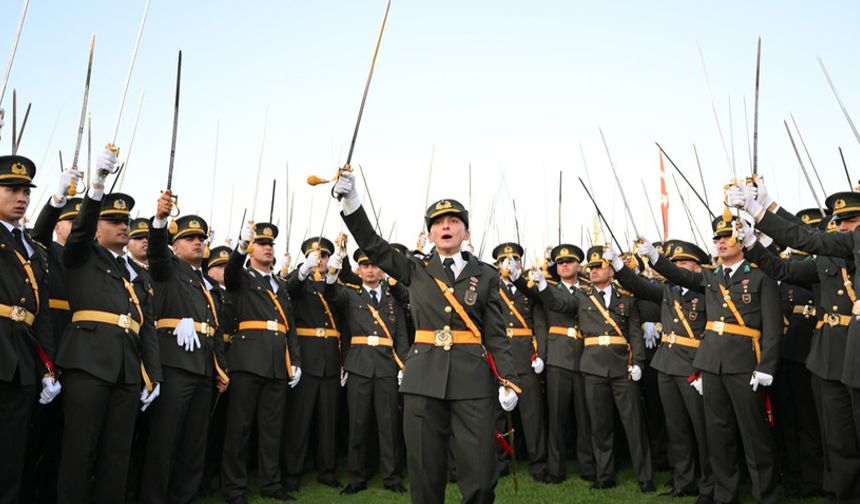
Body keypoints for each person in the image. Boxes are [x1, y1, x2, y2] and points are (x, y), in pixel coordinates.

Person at [334, 172, 521, 503]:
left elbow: (496, 333)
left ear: (466, 231)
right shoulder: (414, 268)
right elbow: (373, 245)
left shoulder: (486, 275)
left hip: (473, 381)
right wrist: (352, 202)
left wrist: (507, 378)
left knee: (479, 472)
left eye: (453, 221)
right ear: (430, 232)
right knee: (424, 472)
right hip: (423, 380)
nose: (445, 226)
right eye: (438, 222)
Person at [731, 183, 860, 500]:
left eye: (851, 219)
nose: (842, 226)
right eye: (839, 221)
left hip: (855, 352)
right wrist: (754, 245)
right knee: (838, 439)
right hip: (829, 356)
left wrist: (762, 211)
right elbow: (785, 266)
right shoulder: (829, 259)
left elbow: (809, 236)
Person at [639, 214, 780, 504]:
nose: (721, 242)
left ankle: (765, 496)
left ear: (741, 240)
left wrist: (766, 366)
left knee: (755, 438)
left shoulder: (759, 276)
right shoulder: (710, 277)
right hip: (712, 364)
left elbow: (773, 327)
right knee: (719, 434)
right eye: (717, 238)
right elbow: (679, 276)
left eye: (727, 237)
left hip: (745, 365)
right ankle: (724, 495)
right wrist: (654, 257)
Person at [57, 148, 163, 503]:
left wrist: (154, 375)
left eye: (126, 221)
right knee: (79, 452)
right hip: (87, 363)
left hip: (127, 371)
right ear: (97, 229)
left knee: (117, 455)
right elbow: (80, 232)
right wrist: (96, 187)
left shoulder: (134, 274)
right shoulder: (82, 255)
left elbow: (144, 327)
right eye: (114, 220)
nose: (124, 225)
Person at [529, 246, 653, 492]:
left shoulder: (625, 297)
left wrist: (638, 362)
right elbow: (558, 303)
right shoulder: (582, 296)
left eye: (599, 266)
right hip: (593, 367)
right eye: (592, 267)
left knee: (634, 425)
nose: (594, 271)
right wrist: (542, 284)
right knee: (599, 426)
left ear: (611, 269)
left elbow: (634, 334)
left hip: (622, 367)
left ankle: (645, 477)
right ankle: (604, 475)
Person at [604, 241, 714, 502]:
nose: (677, 269)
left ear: (699, 267)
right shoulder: (667, 291)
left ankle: (709, 484)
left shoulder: (707, 288)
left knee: (703, 428)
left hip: (694, 364)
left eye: (683, 263)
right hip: (666, 363)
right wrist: (618, 266)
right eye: (674, 263)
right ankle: (683, 480)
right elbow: (637, 285)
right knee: (675, 428)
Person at [140, 192, 229, 504]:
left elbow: (214, 328)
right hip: (175, 364)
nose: (198, 243)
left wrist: (219, 367)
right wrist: (160, 220)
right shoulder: (167, 268)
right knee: (165, 440)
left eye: (201, 239)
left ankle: (184, 497)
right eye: (190, 238)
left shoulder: (205, 282)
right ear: (174, 245)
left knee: (194, 443)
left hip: (203, 367)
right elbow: (156, 253)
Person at [221, 221, 301, 504]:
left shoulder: (279, 284)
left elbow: (288, 324)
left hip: (278, 364)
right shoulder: (242, 277)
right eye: (262, 244)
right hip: (247, 361)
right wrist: (240, 247)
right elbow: (229, 274)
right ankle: (234, 488)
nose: (268, 248)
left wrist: (296, 361)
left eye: (271, 245)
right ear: (253, 248)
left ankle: (271, 484)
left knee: (272, 429)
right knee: (239, 429)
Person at [324, 248, 409, 494]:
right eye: (365, 266)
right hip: (359, 365)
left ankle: (391, 477)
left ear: (382, 269)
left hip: (386, 367)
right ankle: (356, 477)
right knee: (358, 424)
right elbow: (330, 295)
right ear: (359, 270)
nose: (370, 270)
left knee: (388, 425)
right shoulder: (349, 295)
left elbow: (401, 335)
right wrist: (332, 271)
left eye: (374, 265)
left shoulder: (393, 299)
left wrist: (403, 365)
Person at [0, 154, 58, 504]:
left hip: (21, 358)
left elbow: (43, 313)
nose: (21, 197)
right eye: (11, 189)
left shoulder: (32, 248)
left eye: (25, 191)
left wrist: (48, 366)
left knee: (11, 453)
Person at [283, 237, 344, 491]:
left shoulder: (334, 287)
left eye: (324, 257)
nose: (321, 261)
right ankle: (292, 472)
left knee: (329, 420)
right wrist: (303, 269)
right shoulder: (300, 283)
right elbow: (289, 288)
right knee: (300, 419)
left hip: (330, 358)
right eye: (316, 256)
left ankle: (327, 470)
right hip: (306, 358)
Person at [492, 242, 549, 483]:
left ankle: (539, 464)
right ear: (497, 265)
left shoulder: (528, 289)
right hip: (501, 356)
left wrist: (541, 355)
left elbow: (540, 325)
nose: (509, 264)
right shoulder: (491, 288)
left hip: (526, 355)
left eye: (514, 260)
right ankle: (500, 462)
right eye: (504, 261)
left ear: (520, 264)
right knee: (498, 414)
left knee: (532, 413)